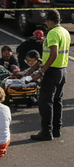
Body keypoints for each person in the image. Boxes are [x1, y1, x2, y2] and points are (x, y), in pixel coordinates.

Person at [30, 9, 70, 141]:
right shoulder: (65, 32)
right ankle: (56, 129)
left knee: (45, 102)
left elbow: (53, 53)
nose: (46, 23)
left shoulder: (52, 33)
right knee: (57, 101)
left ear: (50, 21)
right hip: (62, 70)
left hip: (52, 71)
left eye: (46, 21)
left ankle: (46, 131)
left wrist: (42, 71)